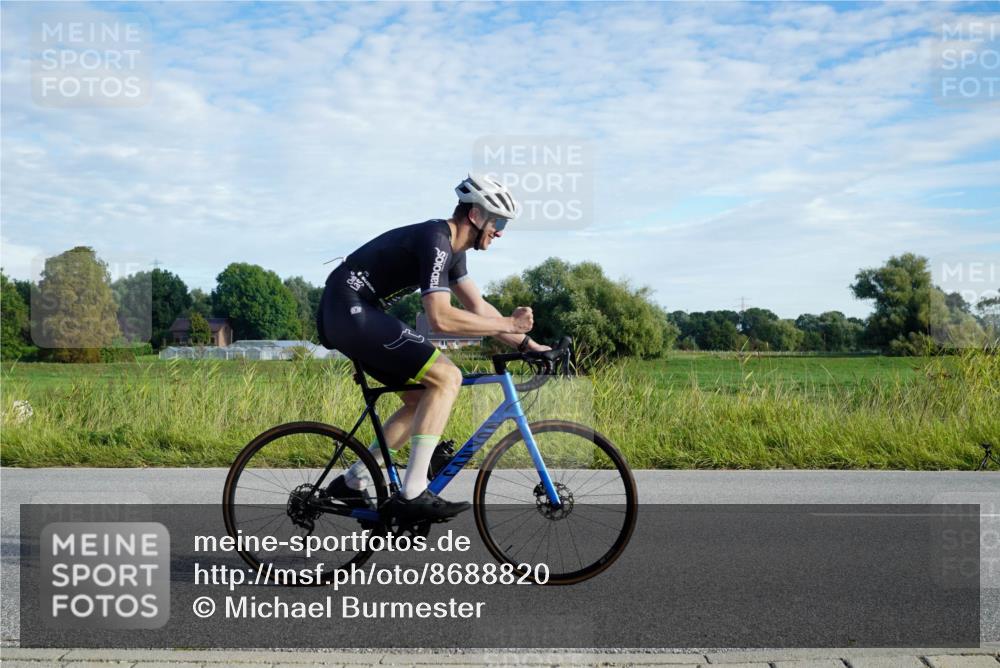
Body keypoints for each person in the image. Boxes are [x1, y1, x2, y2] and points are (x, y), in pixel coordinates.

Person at [317, 174, 550, 521]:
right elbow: (440, 317)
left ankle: (354, 481)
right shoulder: (436, 240)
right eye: (498, 221)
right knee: (446, 376)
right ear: (475, 215)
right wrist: (508, 324)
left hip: (356, 313)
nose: (500, 231)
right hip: (347, 308)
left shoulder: (454, 253)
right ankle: (412, 494)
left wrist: (531, 346)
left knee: (419, 399)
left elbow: (479, 309)